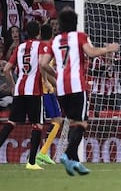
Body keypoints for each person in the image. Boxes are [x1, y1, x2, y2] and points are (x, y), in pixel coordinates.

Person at [40, 9, 120, 176]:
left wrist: (57, 74)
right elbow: (90, 53)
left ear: (60, 24)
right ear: (75, 23)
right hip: (76, 85)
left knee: (73, 122)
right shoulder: (79, 36)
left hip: (61, 87)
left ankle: (74, 162)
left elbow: (43, 64)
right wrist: (108, 48)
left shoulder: (55, 41)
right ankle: (67, 154)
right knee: (82, 123)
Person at [0, 21, 45, 170]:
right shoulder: (41, 46)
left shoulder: (19, 48)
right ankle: (31, 162)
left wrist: (13, 87)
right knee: (37, 125)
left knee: (11, 123)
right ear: (38, 32)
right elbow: (44, 64)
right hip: (34, 91)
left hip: (19, 90)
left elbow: (6, 69)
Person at [35, 24, 62, 165]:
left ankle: (42, 152)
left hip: (44, 89)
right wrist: (54, 81)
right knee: (56, 120)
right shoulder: (46, 48)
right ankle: (42, 152)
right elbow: (42, 67)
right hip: (44, 90)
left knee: (54, 120)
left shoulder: (38, 47)